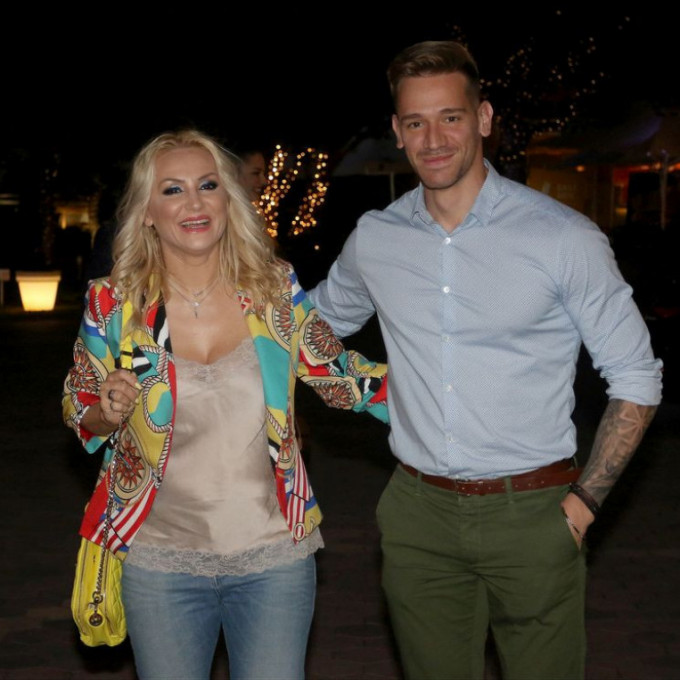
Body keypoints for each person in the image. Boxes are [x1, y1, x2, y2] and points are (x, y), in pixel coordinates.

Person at [308, 41, 663, 680]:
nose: (434, 139)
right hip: (418, 514)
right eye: (416, 122)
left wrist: (584, 504)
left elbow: (636, 375)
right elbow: (311, 327)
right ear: (397, 131)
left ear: (484, 118)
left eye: (451, 117)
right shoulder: (377, 239)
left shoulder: (562, 236)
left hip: (535, 510)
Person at [62, 129, 388, 680]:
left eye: (207, 185)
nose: (194, 202)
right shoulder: (113, 303)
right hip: (159, 560)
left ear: (227, 199)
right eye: (172, 190)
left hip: (273, 555)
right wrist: (106, 409)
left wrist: (442, 393)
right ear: (147, 212)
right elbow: (79, 408)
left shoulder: (273, 290)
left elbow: (341, 376)